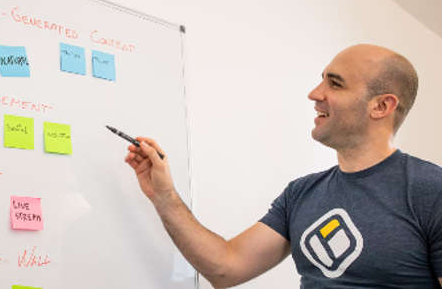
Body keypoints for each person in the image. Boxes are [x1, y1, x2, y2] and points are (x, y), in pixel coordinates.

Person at [124, 44, 442, 288]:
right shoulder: (301, 193)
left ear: (381, 106)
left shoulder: (431, 191)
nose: (314, 94)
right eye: (322, 80)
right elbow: (226, 268)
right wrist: (164, 197)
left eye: (336, 84)